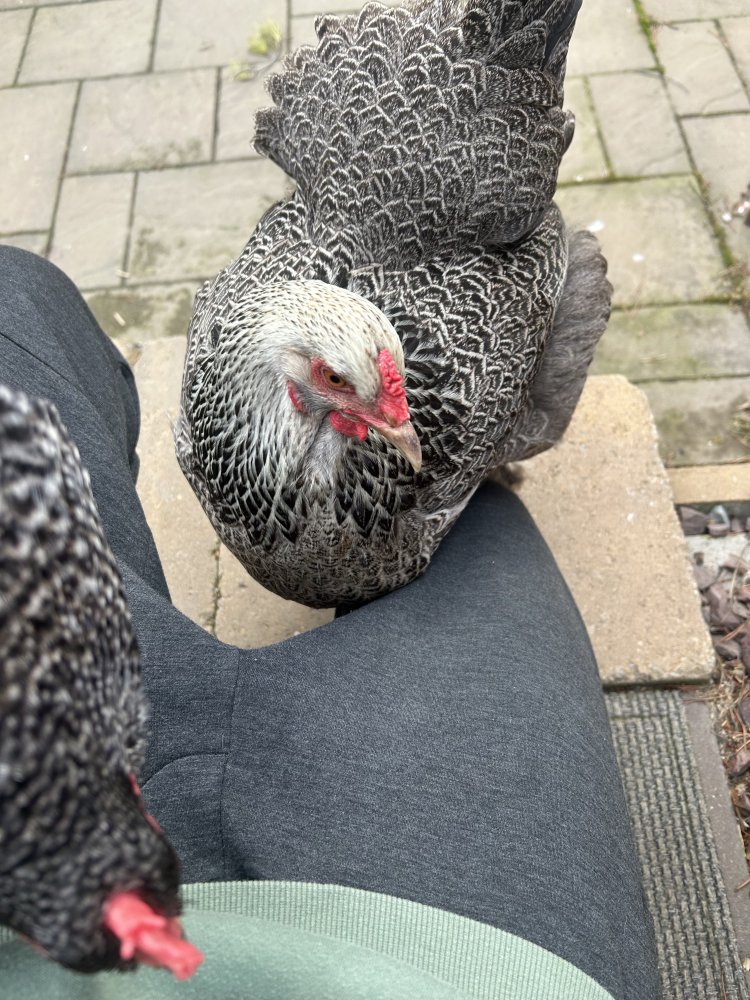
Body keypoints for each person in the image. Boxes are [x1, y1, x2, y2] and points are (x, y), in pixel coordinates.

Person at [0, 245, 660, 999]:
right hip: (444, 964)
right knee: (478, 514)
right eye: (341, 383)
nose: (402, 431)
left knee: (14, 290)